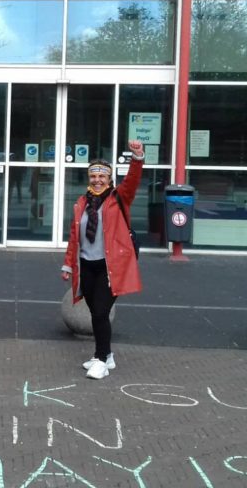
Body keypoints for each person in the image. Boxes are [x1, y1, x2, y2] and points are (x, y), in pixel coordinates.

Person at [61, 141, 145, 380]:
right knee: (94, 310)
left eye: (102, 176)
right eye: (94, 175)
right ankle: (107, 355)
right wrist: (68, 263)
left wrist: (137, 157)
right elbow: (74, 237)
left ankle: (100, 359)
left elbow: (132, 179)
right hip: (87, 265)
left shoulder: (119, 198)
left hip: (111, 267)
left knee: (100, 312)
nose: (98, 179)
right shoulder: (82, 203)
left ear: (109, 179)